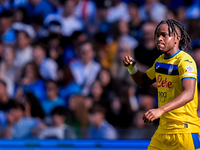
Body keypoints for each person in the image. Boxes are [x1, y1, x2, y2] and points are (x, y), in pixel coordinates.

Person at [122, 19, 200, 149]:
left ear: (177, 38)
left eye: (164, 35)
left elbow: (189, 93)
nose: (159, 39)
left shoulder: (185, 61)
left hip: (184, 131)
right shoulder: (159, 62)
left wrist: (160, 110)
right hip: (163, 132)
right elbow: (143, 81)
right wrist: (131, 68)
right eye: (157, 35)